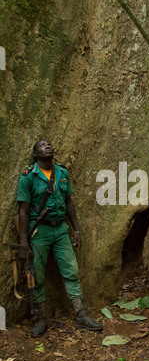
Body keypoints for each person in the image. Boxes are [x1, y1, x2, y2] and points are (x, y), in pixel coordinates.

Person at [17, 140, 102, 337]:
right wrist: (23, 242)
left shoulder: (62, 173)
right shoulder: (28, 177)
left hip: (61, 231)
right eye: (42, 145)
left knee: (71, 270)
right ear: (35, 153)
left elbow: (69, 202)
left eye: (49, 145)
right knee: (36, 274)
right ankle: (40, 317)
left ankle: (81, 314)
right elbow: (23, 211)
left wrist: (77, 230)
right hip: (39, 232)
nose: (47, 147)